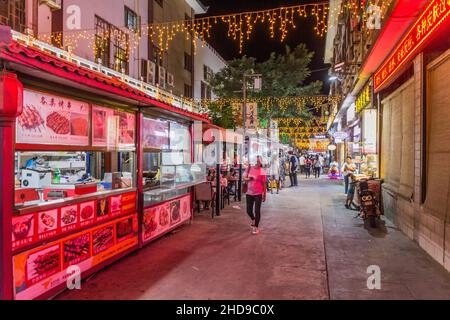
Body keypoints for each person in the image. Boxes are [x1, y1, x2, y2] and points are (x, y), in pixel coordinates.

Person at [244, 156, 267, 235]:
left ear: (260, 162)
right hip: (249, 193)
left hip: (258, 193)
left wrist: (264, 194)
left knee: (257, 211)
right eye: (256, 161)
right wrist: (249, 179)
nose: (257, 162)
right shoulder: (249, 168)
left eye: (258, 161)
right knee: (248, 210)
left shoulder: (262, 171)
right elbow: (244, 178)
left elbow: (264, 184)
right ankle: (253, 219)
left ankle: (256, 227)